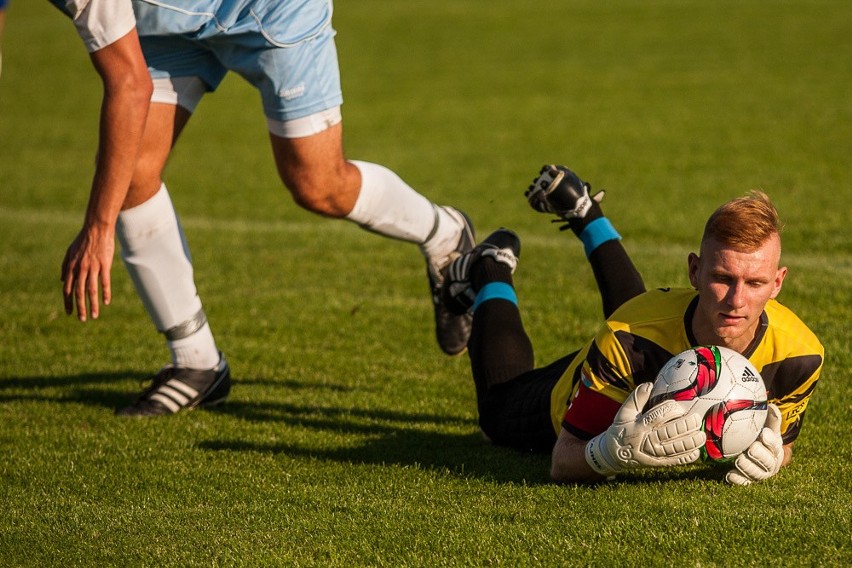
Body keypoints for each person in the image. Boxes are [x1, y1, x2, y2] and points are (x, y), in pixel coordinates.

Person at [52, 0, 475, 416]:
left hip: (271, 9)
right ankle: (196, 363)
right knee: (129, 176)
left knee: (317, 184)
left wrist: (98, 227)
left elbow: (130, 84)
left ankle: (443, 233)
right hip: (170, 28)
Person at [441, 164, 824, 485]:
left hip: (647, 342)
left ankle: (585, 213)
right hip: (581, 390)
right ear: (694, 270)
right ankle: (490, 265)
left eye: (755, 283)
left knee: (645, 324)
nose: (736, 300)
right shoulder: (627, 339)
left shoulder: (801, 355)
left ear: (777, 283)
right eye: (722, 278)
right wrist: (610, 452)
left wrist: (777, 456)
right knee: (497, 412)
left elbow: (783, 440)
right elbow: (563, 460)